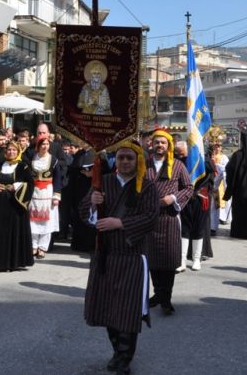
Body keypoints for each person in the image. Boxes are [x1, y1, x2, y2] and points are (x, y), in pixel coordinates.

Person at [80, 140, 157, 374]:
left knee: (126, 311)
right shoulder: (101, 183)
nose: (125, 162)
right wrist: (93, 205)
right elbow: (83, 213)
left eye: (130, 158)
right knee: (107, 309)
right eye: (121, 157)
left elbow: (151, 217)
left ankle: (125, 357)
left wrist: (120, 222)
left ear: (138, 160)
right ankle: (116, 351)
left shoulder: (147, 186)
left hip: (132, 256)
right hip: (106, 255)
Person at [145, 128, 193, 314]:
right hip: (149, 217)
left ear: (168, 145)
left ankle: (165, 298)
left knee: (169, 259)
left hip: (169, 218)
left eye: (163, 143)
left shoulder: (178, 166)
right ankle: (158, 294)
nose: (159, 145)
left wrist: (173, 198)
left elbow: (188, 188)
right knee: (153, 259)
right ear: (152, 144)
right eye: (157, 142)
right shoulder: (144, 163)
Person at [0, 141, 34, 272]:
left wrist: (17, 186)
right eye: (9, 150)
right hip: (0, 205)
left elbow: (30, 184)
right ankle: (0, 262)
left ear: (18, 151)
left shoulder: (23, 167)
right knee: (0, 232)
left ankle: (14, 262)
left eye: (14, 150)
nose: (11, 152)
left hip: (16, 205)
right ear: (5, 152)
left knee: (14, 233)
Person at [28, 137, 63, 258]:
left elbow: (58, 178)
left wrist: (56, 196)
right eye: (43, 144)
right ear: (38, 145)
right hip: (34, 192)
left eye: (47, 144)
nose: (45, 146)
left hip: (48, 192)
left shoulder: (53, 160)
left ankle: (43, 247)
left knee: (46, 221)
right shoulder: (32, 158)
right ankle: (33, 246)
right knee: (33, 220)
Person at [67, 149, 99, 253]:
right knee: (78, 216)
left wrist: (92, 173)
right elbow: (72, 169)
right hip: (78, 188)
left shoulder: (98, 153)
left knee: (89, 215)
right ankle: (78, 244)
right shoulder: (79, 153)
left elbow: (105, 170)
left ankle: (89, 244)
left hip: (91, 188)